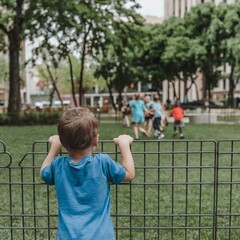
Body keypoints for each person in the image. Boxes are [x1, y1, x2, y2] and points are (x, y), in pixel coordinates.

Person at [40, 107, 135, 240]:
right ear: (95, 140)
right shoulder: (103, 162)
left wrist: (54, 148)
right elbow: (129, 174)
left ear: (63, 142)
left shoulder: (58, 165)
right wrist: (124, 145)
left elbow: (44, 173)